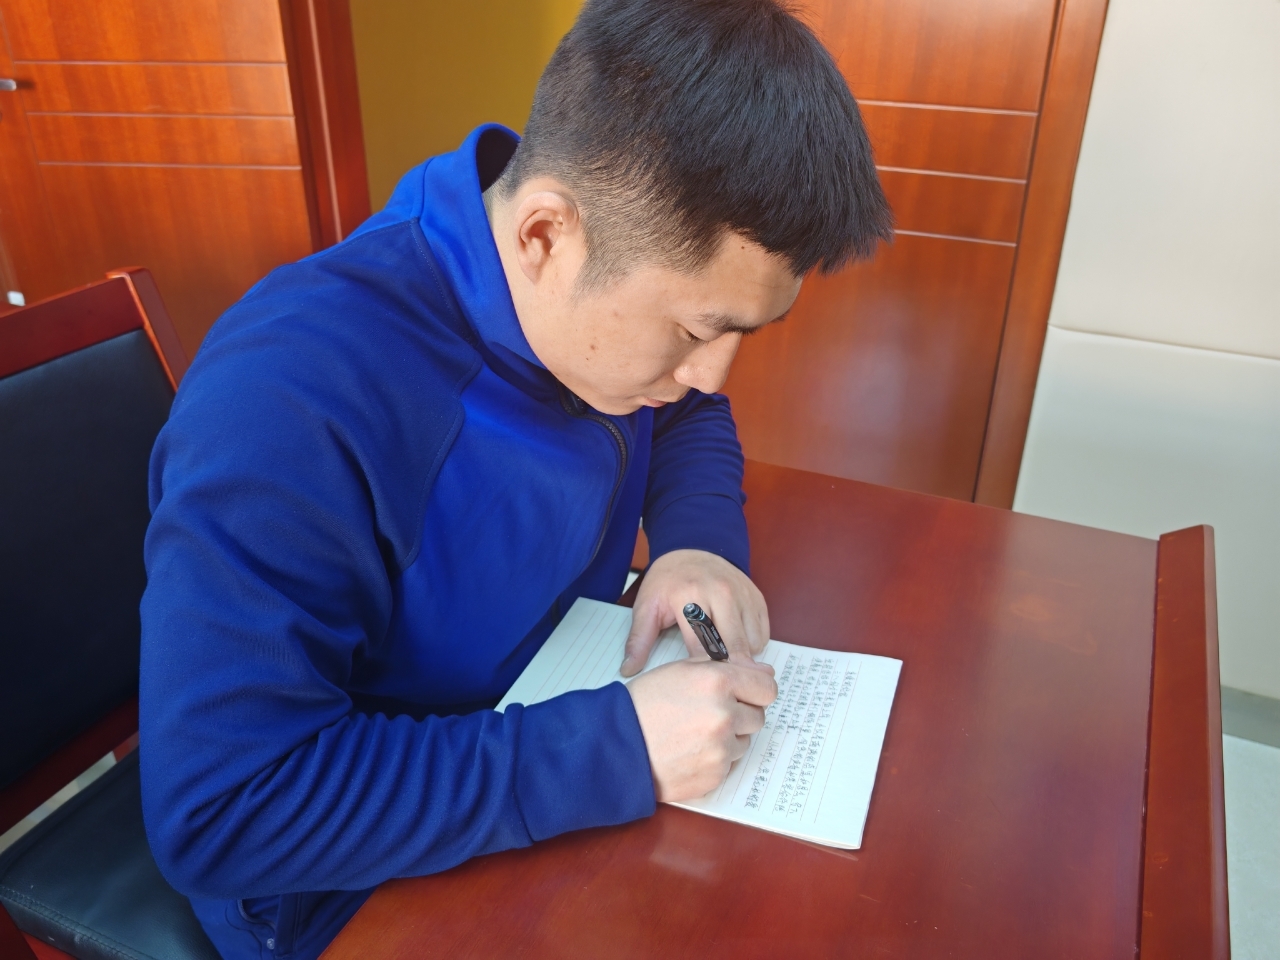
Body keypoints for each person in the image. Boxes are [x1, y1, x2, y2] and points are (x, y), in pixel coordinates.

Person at [139, 0, 892, 956]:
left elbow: (686, 410)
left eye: (742, 332)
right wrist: (612, 751)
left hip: (541, 736)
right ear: (543, 236)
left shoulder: (581, 294)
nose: (710, 375)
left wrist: (698, 542)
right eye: (696, 330)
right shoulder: (290, 402)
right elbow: (226, 809)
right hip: (353, 879)